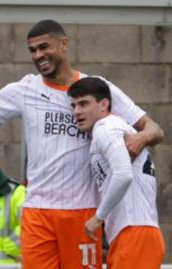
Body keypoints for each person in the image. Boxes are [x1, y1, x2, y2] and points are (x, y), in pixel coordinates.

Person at [0, 19, 164, 269]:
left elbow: (154, 128)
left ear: (64, 44)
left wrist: (140, 139)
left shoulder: (96, 89)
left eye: (44, 47)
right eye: (32, 50)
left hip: (82, 212)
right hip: (38, 212)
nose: (38, 55)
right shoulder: (24, 90)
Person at [68, 77, 165, 269]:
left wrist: (98, 218)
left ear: (104, 104)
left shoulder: (106, 127)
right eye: (73, 106)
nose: (77, 111)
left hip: (134, 234)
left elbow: (123, 175)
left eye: (83, 104)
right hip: (134, 234)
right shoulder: (114, 127)